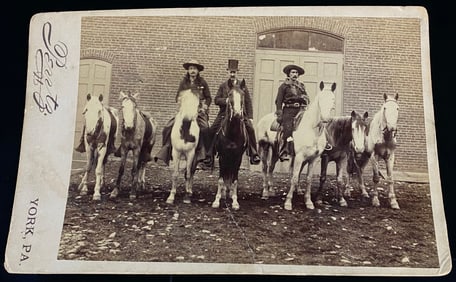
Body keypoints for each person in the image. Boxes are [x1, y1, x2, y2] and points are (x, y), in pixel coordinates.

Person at [154, 59, 212, 166]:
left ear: (198, 71)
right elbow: (177, 96)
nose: (192, 71)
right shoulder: (183, 82)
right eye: (190, 69)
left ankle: (204, 154)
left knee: (205, 128)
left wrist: (205, 106)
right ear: (188, 71)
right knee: (168, 127)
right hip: (184, 111)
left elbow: (208, 97)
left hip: (197, 112)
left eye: (194, 69)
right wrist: (180, 101)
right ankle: (166, 150)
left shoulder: (202, 82)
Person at [209, 59, 260, 165]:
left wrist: (250, 116)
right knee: (212, 129)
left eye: (234, 72)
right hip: (224, 114)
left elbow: (248, 102)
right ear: (228, 72)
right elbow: (216, 100)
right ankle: (209, 154)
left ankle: (253, 153)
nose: (232, 74)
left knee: (250, 129)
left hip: (240, 114)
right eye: (231, 72)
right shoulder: (223, 86)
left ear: (237, 72)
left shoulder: (242, 86)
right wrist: (226, 101)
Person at [275, 64, 310, 161]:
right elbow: (278, 101)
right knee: (288, 127)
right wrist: (279, 114)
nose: (295, 74)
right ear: (289, 74)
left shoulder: (301, 87)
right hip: (289, 110)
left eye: (296, 73)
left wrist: (305, 99)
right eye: (293, 72)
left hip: (300, 110)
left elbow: (307, 98)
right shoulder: (284, 86)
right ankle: (285, 150)